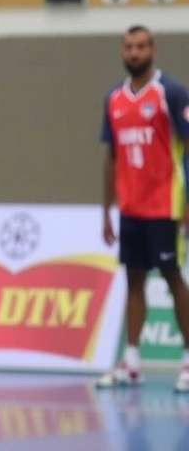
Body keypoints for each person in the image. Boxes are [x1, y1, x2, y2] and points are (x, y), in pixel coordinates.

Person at [96, 25, 189, 393]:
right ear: (122, 51)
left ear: (152, 50)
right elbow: (110, 157)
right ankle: (131, 361)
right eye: (129, 46)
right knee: (133, 281)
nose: (134, 52)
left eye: (141, 46)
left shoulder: (171, 93)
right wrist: (107, 211)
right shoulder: (114, 99)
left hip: (165, 205)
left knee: (172, 278)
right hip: (131, 207)